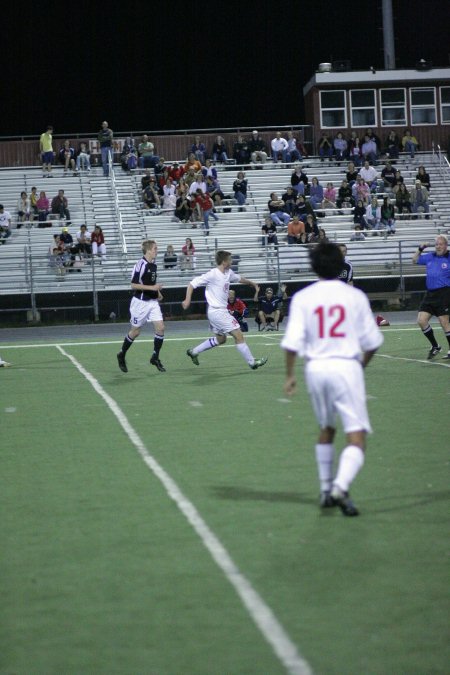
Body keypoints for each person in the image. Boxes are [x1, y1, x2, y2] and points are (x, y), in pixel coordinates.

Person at [281, 241, 383, 515]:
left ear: (313, 266)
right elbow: (372, 342)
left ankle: (326, 490)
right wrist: (361, 365)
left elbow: (291, 343)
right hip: (345, 367)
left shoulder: (303, 297)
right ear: (341, 266)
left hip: (315, 369)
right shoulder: (354, 297)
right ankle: (340, 486)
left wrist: (290, 375)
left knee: (327, 428)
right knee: (357, 436)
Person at [182, 249, 267, 370]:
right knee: (239, 335)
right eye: (230, 259)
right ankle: (252, 362)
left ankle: (194, 351)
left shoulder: (228, 272)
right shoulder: (213, 274)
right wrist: (187, 300)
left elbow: (239, 278)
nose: (232, 261)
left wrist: (252, 283)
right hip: (218, 312)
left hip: (216, 312)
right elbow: (192, 284)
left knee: (221, 339)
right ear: (223, 262)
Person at [117, 240, 166, 373]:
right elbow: (133, 285)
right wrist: (153, 288)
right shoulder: (140, 264)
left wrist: (158, 292)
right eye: (155, 248)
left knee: (161, 328)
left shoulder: (153, 264)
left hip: (152, 302)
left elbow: (151, 282)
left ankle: (155, 357)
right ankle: (121, 354)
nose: (157, 250)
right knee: (136, 332)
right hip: (140, 303)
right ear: (149, 250)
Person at [412, 235, 450, 360]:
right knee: (421, 320)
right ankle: (435, 346)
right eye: (436, 244)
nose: (438, 246)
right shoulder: (430, 256)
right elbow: (414, 260)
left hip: (444, 293)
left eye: (441, 244)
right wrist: (420, 248)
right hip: (430, 294)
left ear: (446, 246)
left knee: (444, 322)